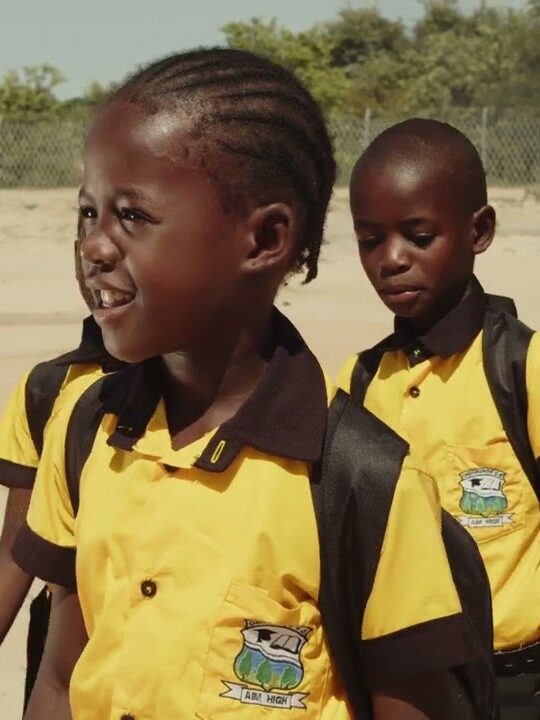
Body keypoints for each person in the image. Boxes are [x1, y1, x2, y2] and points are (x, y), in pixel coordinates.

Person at [14, 50, 467, 720]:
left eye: (131, 215)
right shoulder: (87, 427)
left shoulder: (363, 482)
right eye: (89, 213)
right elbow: (59, 681)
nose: (95, 247)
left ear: (264, 239)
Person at [338, 118, 540, 719]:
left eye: (418, 236)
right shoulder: (358, 382)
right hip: (407, 691)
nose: (392, 260)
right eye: (370, 240)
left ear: (479, 231)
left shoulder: (521, 368)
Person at [0, 234, 122, 710]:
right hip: (61, 654)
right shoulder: (47, 389)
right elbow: (16, 553)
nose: (99, 256)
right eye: (88, 226)